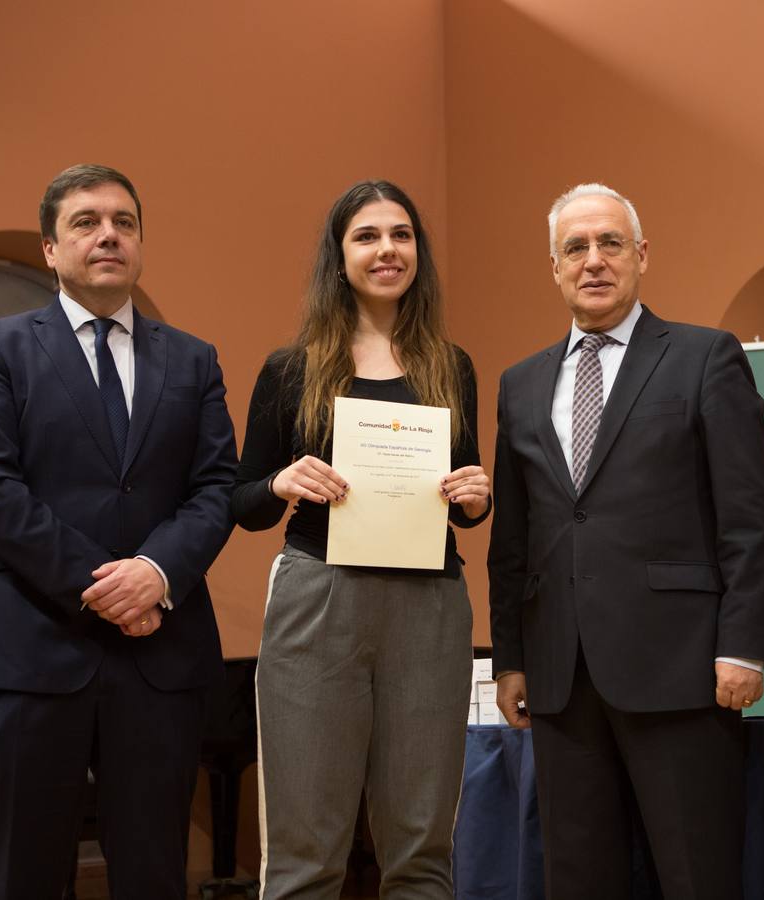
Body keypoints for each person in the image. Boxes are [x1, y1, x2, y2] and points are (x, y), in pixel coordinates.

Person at [0, 164, 238, 898]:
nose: (108, 234)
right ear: (50, 248)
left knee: (154, 876)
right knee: (25, 878)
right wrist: (105, 585)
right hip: (26, 650)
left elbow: (215, 489)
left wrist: (157, 575)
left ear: (140, 243)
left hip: (159, 657)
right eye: (86, 222)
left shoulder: (194, 360)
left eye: (125, 222)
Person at [488, 183, 764, 898]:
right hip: (562, 675)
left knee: (696, 875)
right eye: (575, 248)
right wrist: (511, 659)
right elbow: (514, 538)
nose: (594, 261)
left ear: (642, 255)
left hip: (681, 670)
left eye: (610, 243)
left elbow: (750, 516)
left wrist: (742, 645)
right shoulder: (521, 384)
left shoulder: (703, 358)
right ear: (554, 268)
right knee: (579, 879)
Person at [231, 180, 490, 898]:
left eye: (401, 235)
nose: (387, 250)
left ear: (418, 254)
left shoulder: (451, 366)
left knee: (422, 849)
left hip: (430, 605)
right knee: (306, 853)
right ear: (339, 255)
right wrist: (282, 483)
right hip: (319, 598)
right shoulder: (292, 368)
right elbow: (243, 501)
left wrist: (476, 496)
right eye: (368, 236)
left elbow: (460, 502)